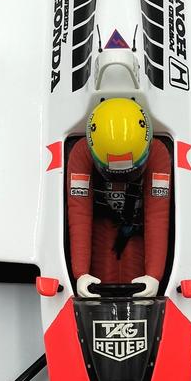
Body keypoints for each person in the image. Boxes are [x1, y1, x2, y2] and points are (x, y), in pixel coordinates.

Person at [67, 98, 171, 299]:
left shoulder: (157, 153)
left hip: (137, 230)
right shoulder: (81, 153)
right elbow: (79, 213)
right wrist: (80, 273)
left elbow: (158, 215)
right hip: (101, 227)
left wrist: (154, 275)